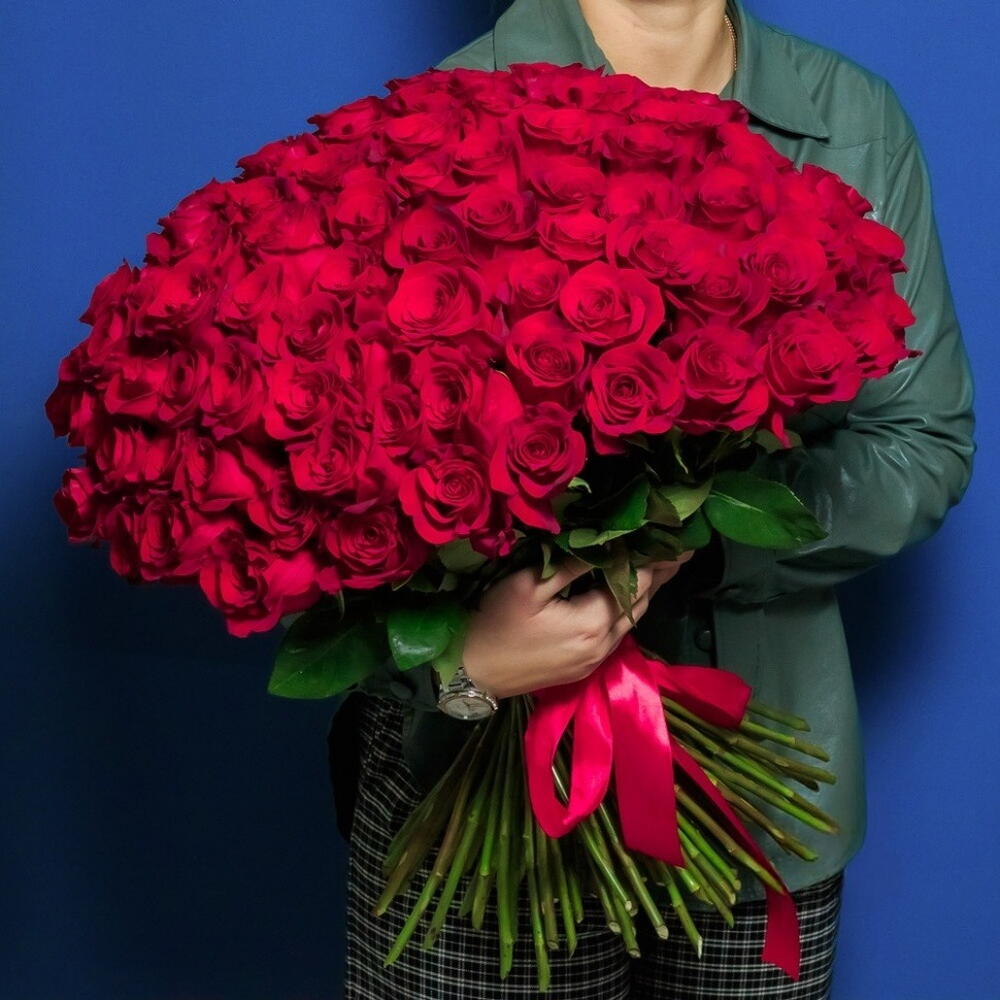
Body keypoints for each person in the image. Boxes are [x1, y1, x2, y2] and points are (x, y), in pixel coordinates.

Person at [331, 1, 977, 996]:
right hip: (469, 791)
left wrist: (699, 544)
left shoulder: (853, 118)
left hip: (759, 800)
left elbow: (918, 445)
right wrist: (466, 668)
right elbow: (335, 486)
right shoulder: (432, 117)